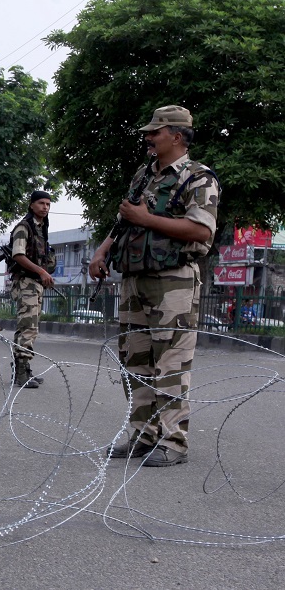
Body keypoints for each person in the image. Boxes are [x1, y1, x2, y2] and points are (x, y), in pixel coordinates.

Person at [90, 105, 220, 468]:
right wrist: (101, 251)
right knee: (136, 361)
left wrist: (148, 219)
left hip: (173, 281)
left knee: (170, 362)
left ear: (176, 136)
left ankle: (173, 441)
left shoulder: (199, 178)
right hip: (134, 278)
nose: (147, 138)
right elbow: (123, 221)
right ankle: (143, 435)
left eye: (155, 133)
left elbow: (201, 231)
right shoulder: (144, 175)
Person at [8, 191, 56, 388]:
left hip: (34, 284)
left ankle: (23, 369)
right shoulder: (24, 227)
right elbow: (18, 255)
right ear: (31, 205)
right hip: (26, 282)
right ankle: (20, 374)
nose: (45, 207)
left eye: (48, 204)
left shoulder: (41, 229)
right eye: (41, 203)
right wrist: (41, 272)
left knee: (29, 327)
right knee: (28, 328)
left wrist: (44, 272)